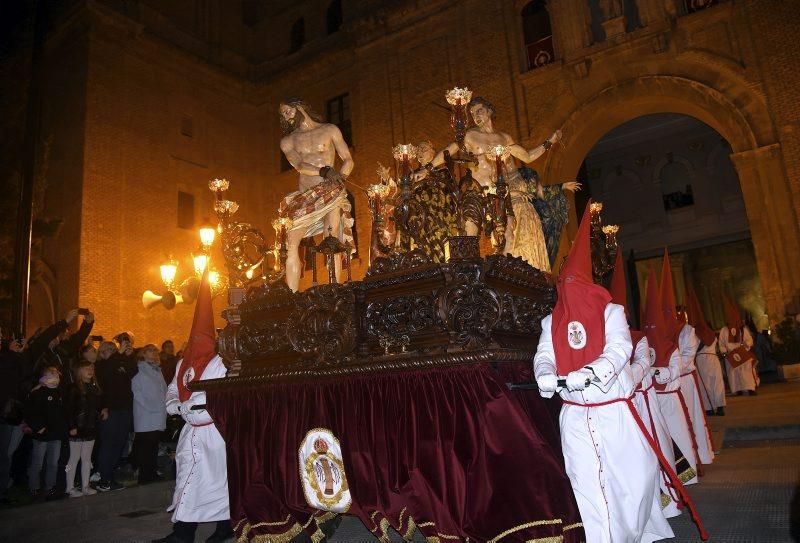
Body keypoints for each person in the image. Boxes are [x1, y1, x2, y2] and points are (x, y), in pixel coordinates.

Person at [533, 204, 660, 542]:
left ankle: (632, 532)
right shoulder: (551, 321)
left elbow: (618, 350)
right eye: (565, 285)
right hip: (575, 417)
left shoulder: (611, 312)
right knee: (587, 484)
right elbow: (544, 354)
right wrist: (545, 375)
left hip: (614, 411)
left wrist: (589, 372)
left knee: (634, 479)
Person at [427, 96, 563, 270]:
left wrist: (549, 142)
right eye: (472, 113)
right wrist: (428, 167)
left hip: (500, 195)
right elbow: (450, 150)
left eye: (480, 111)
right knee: (470, 237)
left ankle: (505, 276)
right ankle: (467, 275)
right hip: (478, 193)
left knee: (508, 236)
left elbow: (527, 156)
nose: (476, 116)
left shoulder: (504, 138)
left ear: (490, 111)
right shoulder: (471, 135)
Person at [154, 271, 232, 543]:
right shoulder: (183, 362)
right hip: (190, 432)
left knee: (216, 481)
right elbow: (174, 388)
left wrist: (185, 410)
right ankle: (183, 533)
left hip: (213, 433)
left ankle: (224, 527)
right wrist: (174, 404)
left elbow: (214, 395)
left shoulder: (221, 363)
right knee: (187, 478)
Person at [278, 98, 355, 292]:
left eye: (288, 110)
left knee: (332, 239)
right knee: (290, 244)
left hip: (331, 193)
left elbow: (347, 159)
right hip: (306, 194)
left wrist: (341, 179)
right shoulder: (288, 141)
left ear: (299, 107)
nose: (286, 116)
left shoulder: (329, 130)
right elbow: (299, 165)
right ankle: (292, 296)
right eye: (283, 114)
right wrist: (324, 172)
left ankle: (334, 290)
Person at [643, 268, 700, 484]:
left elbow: (673, 371)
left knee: (679, 436)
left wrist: (653, 371)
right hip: (653, 401)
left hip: (671, 399)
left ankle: (686, 477)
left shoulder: (671, 349)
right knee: (662, 441)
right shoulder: (642, 346)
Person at [660, 251, 714, 466]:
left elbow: (686, 357)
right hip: (668, 385)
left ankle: (698, 457)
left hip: (684, 381)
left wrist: (668, 369)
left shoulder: (688, 331)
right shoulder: (663, 333)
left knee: (690, 419)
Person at [94, 338, 138, 492]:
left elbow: (133, 372)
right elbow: (105, 376)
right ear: (102, 352)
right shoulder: (100, 366)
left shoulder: (119, 363)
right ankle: (104, 479)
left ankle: (110, 477)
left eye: (114, 350)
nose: (113, 352)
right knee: (108, 444)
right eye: (110, 350)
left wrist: (128, 356)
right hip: (110, 409)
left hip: (124, 409)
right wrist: (118, 355)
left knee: (119, 444)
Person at [25, 365, 68, 499]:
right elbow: (31, 412)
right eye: (51, 374)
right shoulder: (38, 393)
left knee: (53, 463)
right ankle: (34, 488)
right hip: (42, 435)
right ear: (44, 377)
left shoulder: (60, 393)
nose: (55, 377)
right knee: (37, 462)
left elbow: (63, 413)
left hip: (56, 434)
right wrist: (39, 427)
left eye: (56, 374)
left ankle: (50, 487)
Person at [65, 360, 105, 497]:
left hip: (90, 427)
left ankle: (85, 486)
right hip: (78, 427)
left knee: (87, 458)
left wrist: (103, 410)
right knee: (73, 458)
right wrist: (72, 426)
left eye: (92, 368)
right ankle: (69, 487)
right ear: (79, 371)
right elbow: (69, 409)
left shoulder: (94, 388)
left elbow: (96, 406)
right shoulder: (73, 388)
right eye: (86, 368)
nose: (90, 370)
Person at [686, 288, 726, 416]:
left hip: (703, 359)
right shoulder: (711, 333)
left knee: (708, 384)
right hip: (712, 358)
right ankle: (716, 407)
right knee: (714, 382)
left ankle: (712, 408)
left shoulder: (698, 335)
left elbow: (696, 347)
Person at [132, 344, 167, 485]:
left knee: (153, 447)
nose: (154, 353)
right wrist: (150, 406)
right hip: (146, 414)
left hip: (158, 413)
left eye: (155, 351)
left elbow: (162, 389)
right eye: (150, 351)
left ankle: (151, 473)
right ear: (143, 354)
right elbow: (137, 391)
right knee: (146, 447)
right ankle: (144, 476)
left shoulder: (157, 370)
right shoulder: (139, 369)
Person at [0, 331, 29, 503]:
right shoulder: (5, 357)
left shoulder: (12, 357)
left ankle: (2, 491)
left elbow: (24, 374)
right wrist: (10, 353)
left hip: (6, 414)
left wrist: (21, 353)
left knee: (4, 454)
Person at [719, 297, 757, 395]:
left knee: (746, 372)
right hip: (731, 354)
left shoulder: (742, 329)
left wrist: (746, 345)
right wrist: (724, 352)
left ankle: (750, 389)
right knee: (733, 374)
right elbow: (722, 343)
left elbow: (749, 340)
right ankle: (737, 390)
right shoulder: (724, 330)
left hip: (742, 352)